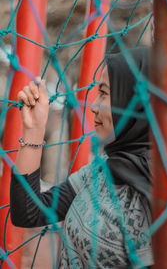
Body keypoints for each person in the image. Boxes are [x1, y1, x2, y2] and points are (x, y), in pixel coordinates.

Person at [10, 46, 154, 268]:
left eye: (104, 93)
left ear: (134, 101)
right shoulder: (102, 171)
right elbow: (29, 212)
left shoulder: (158, 193)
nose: (94, 106)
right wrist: (34, 130)